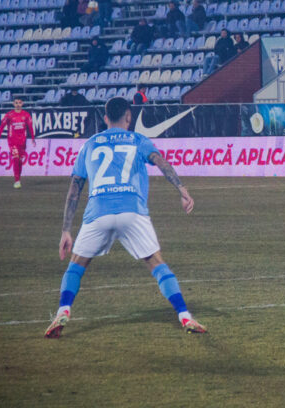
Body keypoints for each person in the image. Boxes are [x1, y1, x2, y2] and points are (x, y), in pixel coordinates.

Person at [43, 97, 204, 338]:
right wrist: (181, 189)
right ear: (129, 117)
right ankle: (184, 315)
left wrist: (66, 230)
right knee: (157, 264)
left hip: (98, 212)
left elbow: (75, 187)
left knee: (75, 266)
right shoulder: (138, 139)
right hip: (132, 211)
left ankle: (62, 311)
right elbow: (161, 162)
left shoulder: (89, 144)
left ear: (105, 118)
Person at [0, 98, 35, 188]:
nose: (18, 104)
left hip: (22, 142)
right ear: (13, 104)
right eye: (16, 103)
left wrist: (32, 138)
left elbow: (30, 127)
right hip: (12, 142)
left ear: (22, 103)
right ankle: (17, 181)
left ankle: (18, 179)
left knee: (20, 161)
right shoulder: (9, 115)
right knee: (16, 158)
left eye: (20, 103)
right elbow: (1, 128)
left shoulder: (26, 115)